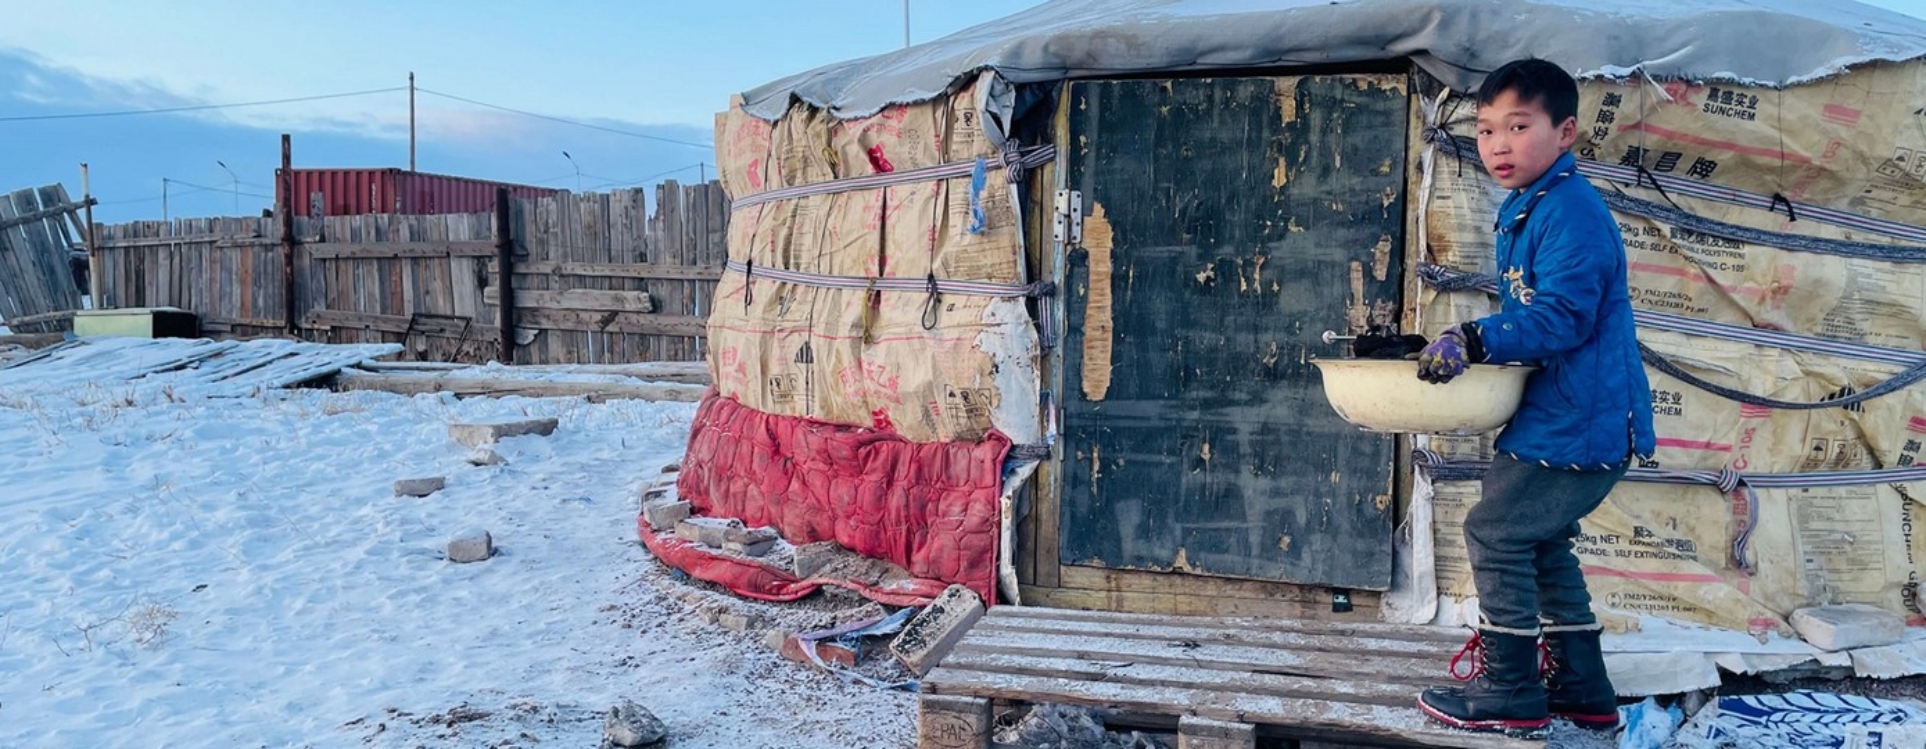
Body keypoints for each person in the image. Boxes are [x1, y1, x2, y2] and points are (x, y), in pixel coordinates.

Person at [1412, 58, 1656, 738]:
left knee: (1495, 531)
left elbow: (1564, 318)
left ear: (1567, 131)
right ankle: (1582, 687)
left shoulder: (1571, 212)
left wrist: (1474, 337)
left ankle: (1510, 688)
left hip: (1579, 419)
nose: (1497, 145)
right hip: (1565, 411)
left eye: (1518, 127)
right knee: (1542, 540)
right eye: (1486, 129)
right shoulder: (1534, 205)